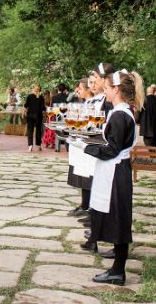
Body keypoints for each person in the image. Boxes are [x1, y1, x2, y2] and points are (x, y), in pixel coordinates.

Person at [72, 69, 144, 286]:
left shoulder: (121, 115)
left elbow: (112, 149)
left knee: (119, 220)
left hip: (116, 171)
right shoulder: (121, 111)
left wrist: (84, 146)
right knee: (115, 217)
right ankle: (116, 268)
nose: (105, 92)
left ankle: (118, 271)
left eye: (107, 89)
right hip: (114, 170)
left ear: (116, 90)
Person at [68, 66, 114, 226]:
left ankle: (94, 211)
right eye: (91, 82)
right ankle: (88, 207)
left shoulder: (107, 102)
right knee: (86, 175)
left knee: (95, 178)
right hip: (88, 140)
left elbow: (103, 124)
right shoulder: (94, 100)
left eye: (96, 81)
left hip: (99, 143)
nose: (93, 85)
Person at [24, 85, 45, 152]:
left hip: (32, 115)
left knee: (32, 130)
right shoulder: (40, 97)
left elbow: (25, 106)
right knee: (37, 130)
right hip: (36, 116)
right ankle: (36, 145)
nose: (35, 90)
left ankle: (32, 146)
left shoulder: (32, 96)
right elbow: (43, 108)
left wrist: (24, 112)